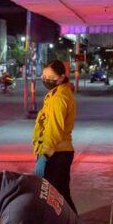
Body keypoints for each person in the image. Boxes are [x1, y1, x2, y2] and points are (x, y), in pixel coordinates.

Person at [33, 59, 77, 212]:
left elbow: (53, 130)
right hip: (57, 152)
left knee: (58, 197)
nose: (45, 79)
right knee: (58, 195)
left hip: (56, 154)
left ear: (61, 78)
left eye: (50, 76)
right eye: (44, 75)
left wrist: (44, 156)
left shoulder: (59, 98)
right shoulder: (57, 94)